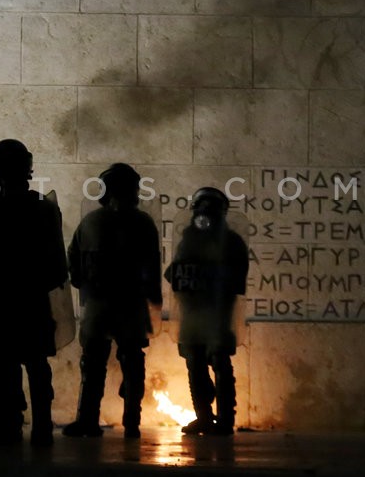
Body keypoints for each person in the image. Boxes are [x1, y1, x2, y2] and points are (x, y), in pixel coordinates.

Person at [0, 140, 67, 446]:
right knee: (35, 366)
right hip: (32, 300)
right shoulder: (44, 208)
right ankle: (42, 428)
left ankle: (5, 427)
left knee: (5, 366)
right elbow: (58, 267)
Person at [62, 163, 161, 439]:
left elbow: (74, 259)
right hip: (131, 304)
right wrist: (152, 300)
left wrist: (82, 281)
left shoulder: (91, 221)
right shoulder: (143, 223)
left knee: (93, 364)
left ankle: (87, 420)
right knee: (132, 362)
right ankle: (132, 422)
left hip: (98, 303)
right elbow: (152, 265)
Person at [164, 187, 248, 436]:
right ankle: (204, 416)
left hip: (218, 311)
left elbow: (237, 278)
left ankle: (225, 419)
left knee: (219, 362)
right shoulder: (189, 241)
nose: (204, 214)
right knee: (196, 364)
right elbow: (175, 272)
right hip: (192, 312)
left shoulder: (231, 242)